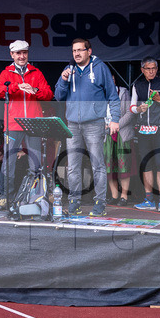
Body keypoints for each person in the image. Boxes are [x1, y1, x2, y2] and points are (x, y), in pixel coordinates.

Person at [55, 38, 120, 216]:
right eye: (74, 50)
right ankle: (74, 201)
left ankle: (100, 203)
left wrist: (115, 119)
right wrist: (63, 80)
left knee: (97, 164)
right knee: (73, 165)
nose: (76, 53)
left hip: (94, 123)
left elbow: (113, 96)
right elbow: (59, 96)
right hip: (73, 124)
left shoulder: (100, 68)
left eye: (80, 50)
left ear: (89, 51)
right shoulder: (69, 69)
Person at [0, 40, 53, 211]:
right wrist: (17, 86)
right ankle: (5, 198)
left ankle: (35, 196)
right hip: (13, 122)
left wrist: (35, 90)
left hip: (34, 123)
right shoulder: (7, 72)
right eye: (18, 53)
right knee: (9, 162)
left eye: (24, 52)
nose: (22, 56)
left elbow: (49, 94)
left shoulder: (36, 72)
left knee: (35, 162)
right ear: (11, 55)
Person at [130, 57, 160, 213]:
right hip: (142, 129)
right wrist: (138, 109)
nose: (151, 71)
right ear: (142, 69)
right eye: (148, 69)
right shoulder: (137, 85)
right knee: (146, 164)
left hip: (159, 129)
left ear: (157, 69)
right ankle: (149, 199)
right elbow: (131, 106)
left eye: (154, 69)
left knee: (159, 164)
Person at [105, 77, 135, 207]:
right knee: (109, 167)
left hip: (122, 133)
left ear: (114, 80)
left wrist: (116, 125)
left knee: (124, 167)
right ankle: (114, 195)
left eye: (111, 79)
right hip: (106, 135)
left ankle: (124, 196)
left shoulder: (123, 92)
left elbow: (130, 113)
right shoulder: (99, 93)